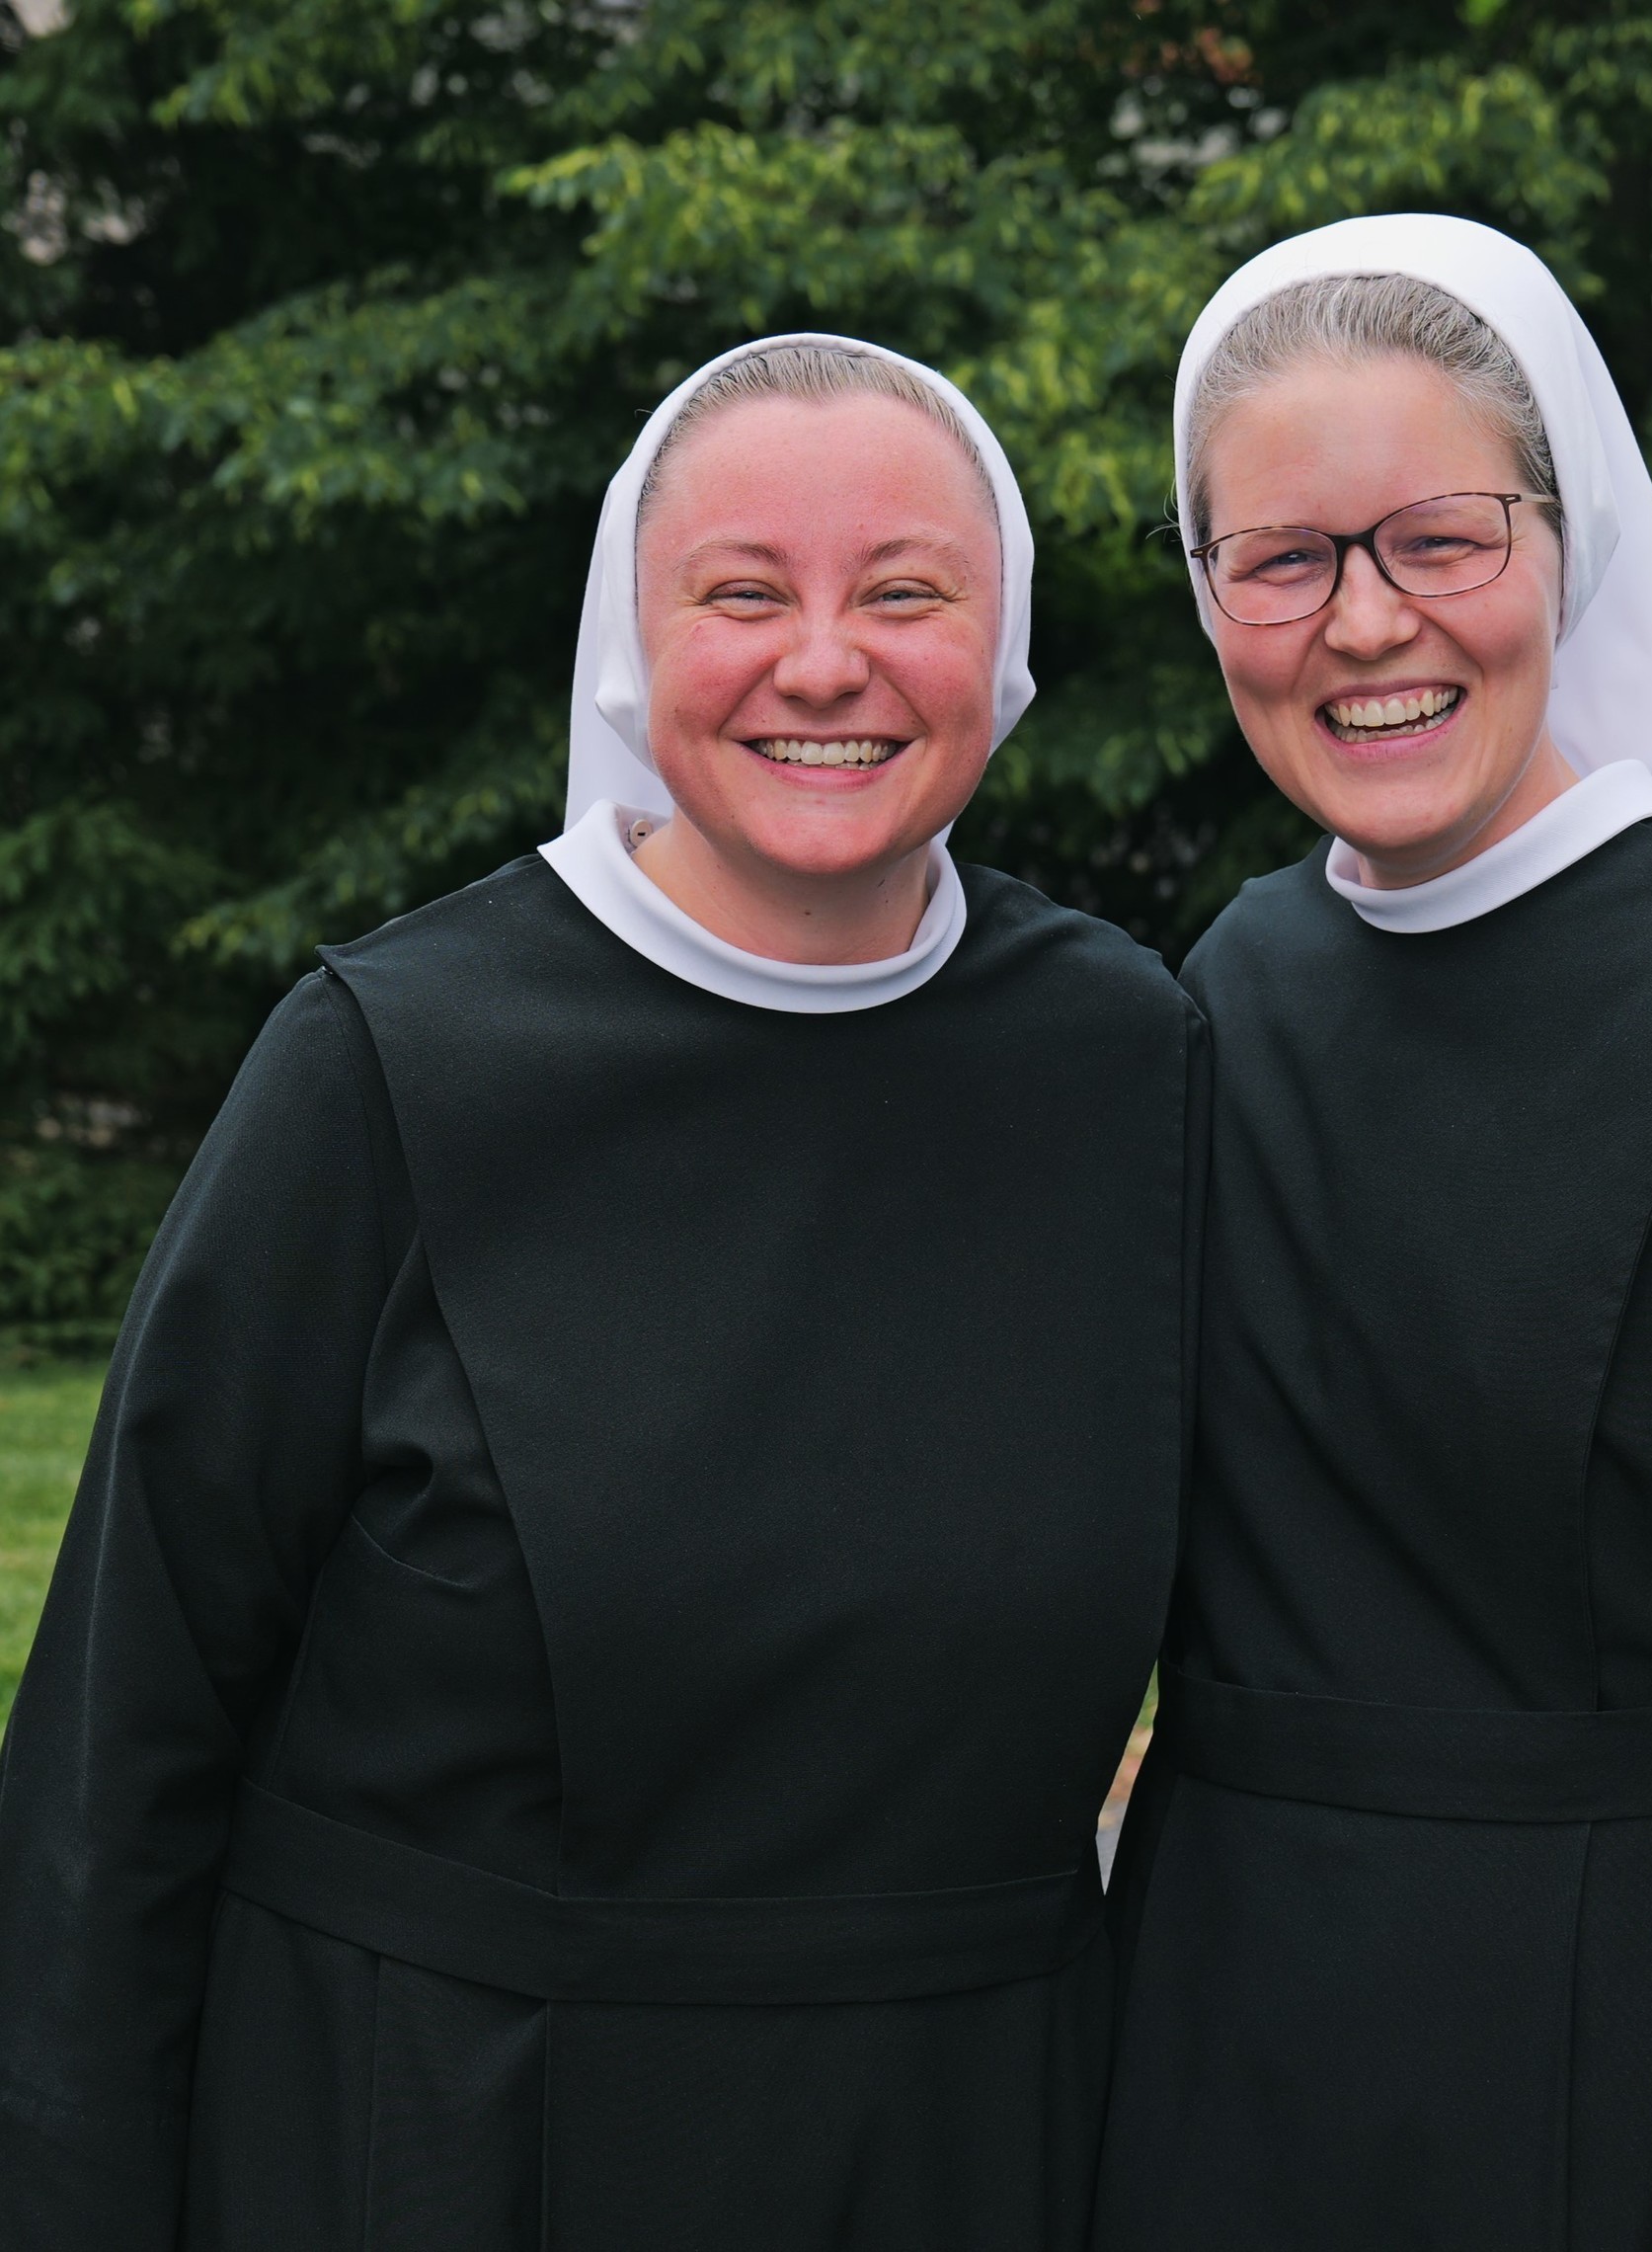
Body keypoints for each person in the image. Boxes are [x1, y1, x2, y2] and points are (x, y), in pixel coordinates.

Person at [0, 335, 1204, 2250]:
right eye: (745, 595)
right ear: (636, 649)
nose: (825, 661)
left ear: (1012, 648)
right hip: (448, 2143)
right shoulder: (389, 1059)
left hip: (971, 2140)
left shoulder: (1126, 1060)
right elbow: (122, 1748)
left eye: (905, 593)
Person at [1093, 217, 1652, 2252]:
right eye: (1287, 556)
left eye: (1439, 536)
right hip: (1228, 2049)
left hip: (1645, 2074)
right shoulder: (1231, 980)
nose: (1366, 622)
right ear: (1210, 594)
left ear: (1562, 543)